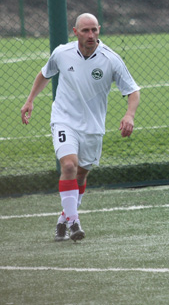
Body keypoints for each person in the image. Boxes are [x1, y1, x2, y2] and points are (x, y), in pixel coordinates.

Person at [21, 13, 140, 242]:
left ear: (100, 30)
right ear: (75, 32)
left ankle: (64, 218)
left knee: (82, 175)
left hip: (93, 127)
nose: (91, 35)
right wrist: (30, 100)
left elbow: (133, 90)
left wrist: (129, 114)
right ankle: (75, 222)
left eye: (94, 30)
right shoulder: (62, 53)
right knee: (68, 166)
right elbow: (45, 74)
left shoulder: (111, 59)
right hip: (64, 119)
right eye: (85, 30)